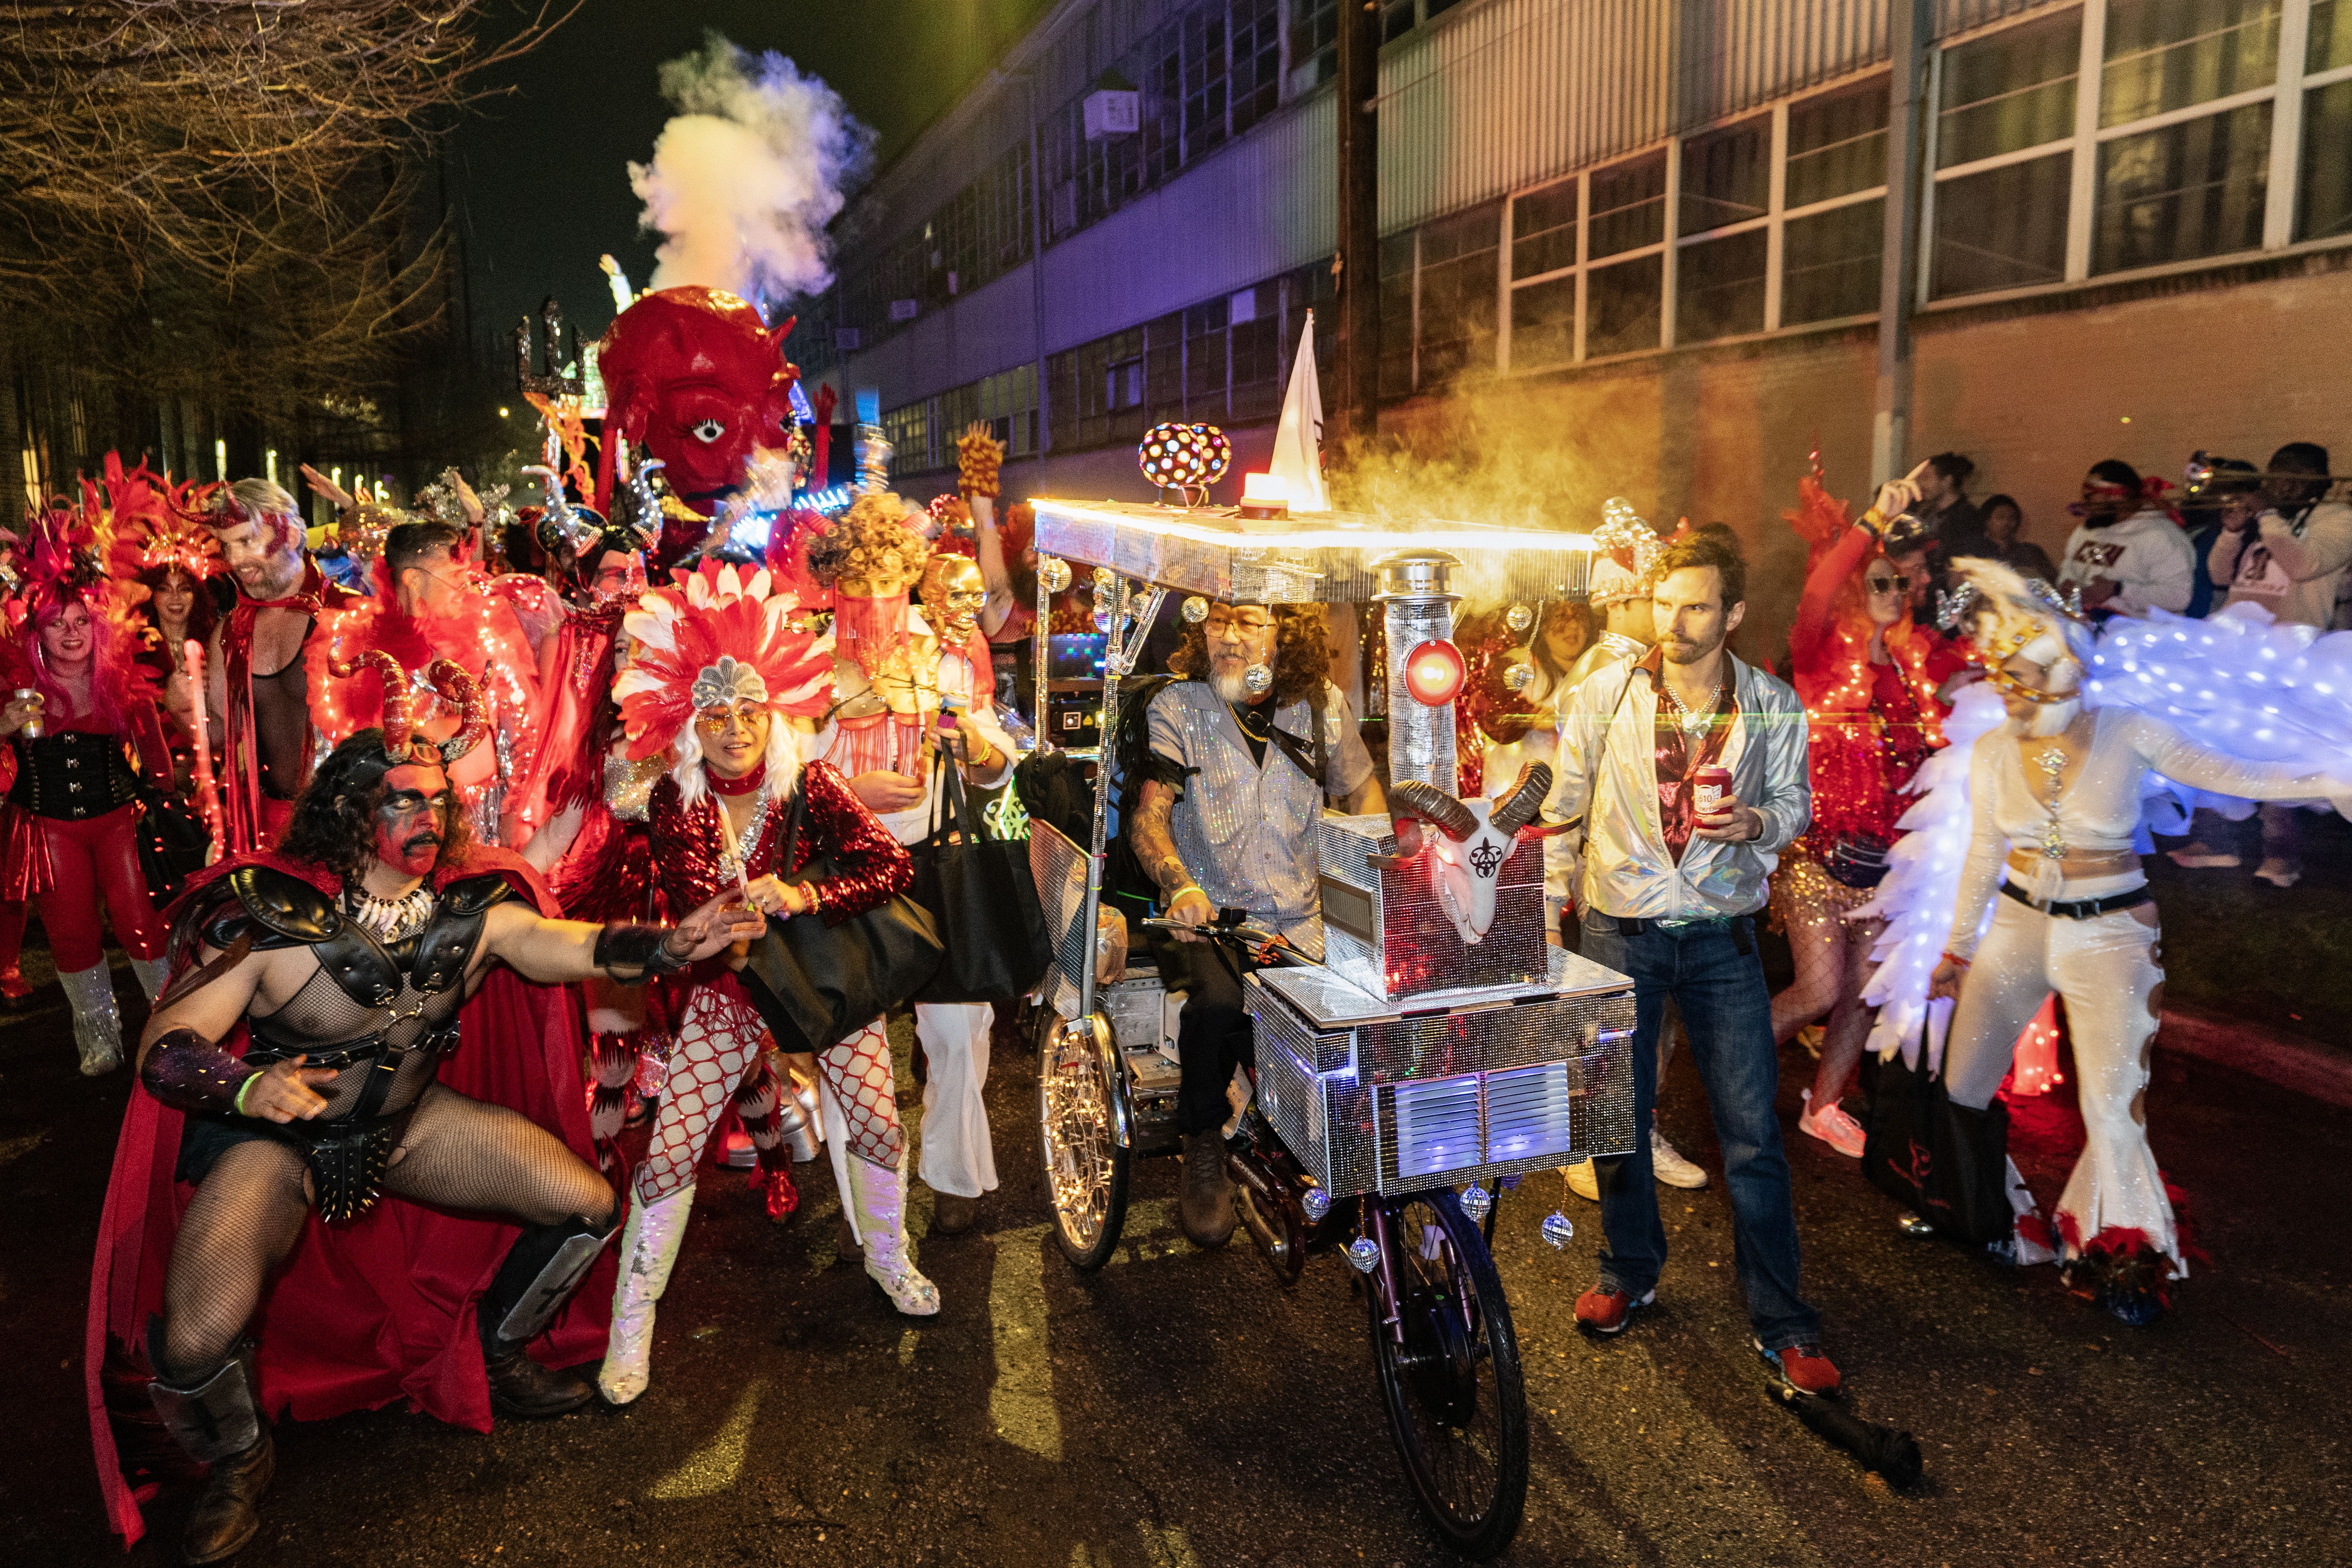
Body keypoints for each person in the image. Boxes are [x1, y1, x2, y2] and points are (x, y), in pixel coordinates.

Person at [92, 674, 764, 1562]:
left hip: (408, 1124)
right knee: (193, 1335)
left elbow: (558, 946)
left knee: (587, 1206)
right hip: (277, 1141)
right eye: (403, 801)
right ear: (348, 811)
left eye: (439, 800)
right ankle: (237, 1460)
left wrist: (668, 944)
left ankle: (498, 1352)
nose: (430, 817)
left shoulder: (469, 907)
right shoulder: (271, 918)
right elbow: (167, 1044)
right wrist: (249, 1089)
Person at [1925, 558, 2352, 1324]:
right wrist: (1957, 951)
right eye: (2004, 675)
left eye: (2027, 674)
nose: (2013, 690)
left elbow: (2234, 772)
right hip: (2017, 929)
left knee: (2112, 1110)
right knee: (1962, 1087)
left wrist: (2325, 778)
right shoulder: (1991, 753)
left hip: (2111, 936)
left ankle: (2122, 1258)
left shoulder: (2128, 731)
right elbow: (1982, 856)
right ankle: (1989, 1218)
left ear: (2067, 666)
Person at [598, 559, 930, 1408]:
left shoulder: (811, 783)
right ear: (689, 722)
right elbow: (691, 911)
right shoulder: (674, 802)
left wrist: (808, 895)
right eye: (715, 714)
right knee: (671, 1152)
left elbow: (890, 865)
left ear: (774, 712)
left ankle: (889, 1259)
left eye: (749, 709)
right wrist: (730, 915)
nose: (735, 729)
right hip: (728, 995)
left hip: (821, 984)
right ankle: (631, 1323)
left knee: (878, 1123)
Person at [1541, 532, 1840, 1394]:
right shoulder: (1605, 690)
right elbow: (1563, 805)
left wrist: (1759, 823)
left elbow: (1796, 802)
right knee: (1616, 1118)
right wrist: (1546, 910)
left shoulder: (1772, 703)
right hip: (1620, 929)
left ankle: (1783, 1321)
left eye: (1696, 606)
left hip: (1720, 937)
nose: (1672, 622)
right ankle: (1627, 1271)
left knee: (1752, 1135)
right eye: (1663, 603)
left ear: (1732, 613)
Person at [1129, 599, 1384, 1249]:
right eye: (1216, 620)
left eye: (1246, 621)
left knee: (1362, 1017)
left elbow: (1361, 790)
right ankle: (1202, 1139)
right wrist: (1180, 884)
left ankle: (1331, 1142)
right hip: (1209, 918)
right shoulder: (1177, 706)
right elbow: (1149, 817)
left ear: (1283, 631)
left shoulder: (1320, 705)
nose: (1227, 636)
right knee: (1218, 1006)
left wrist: (1378, 868)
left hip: (1304, 918)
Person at [797, 496, 1018, 1238]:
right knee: (850, 1048)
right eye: (858, 583)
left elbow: (991, 758)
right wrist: (847, 794)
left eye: (889, 580)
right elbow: (776, 780)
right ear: (833, 584)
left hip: (935, 865)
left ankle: (952, 1171)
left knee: (958, 1031)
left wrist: (972, 748)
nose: (875, 598)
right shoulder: (805, 664)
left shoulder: (944, 649)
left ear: (910, 577)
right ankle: (868, 1210)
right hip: (844, 870)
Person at [1770, 471, 1959, 1158]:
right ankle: (1730, 1067)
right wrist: (1872, 522)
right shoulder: (1818, 656)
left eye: (1902, 583)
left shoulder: (1916, 666)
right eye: (1880, 580)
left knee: (1859, 993)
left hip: (1888, 870)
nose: (1895, 591)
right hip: (1817, 861)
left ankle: (1823, 1106)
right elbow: (1818, 590)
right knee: (1817, 992)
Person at [0, 506, 175, 1069]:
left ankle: (174, 1025)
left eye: (80, 621)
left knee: (141, 924)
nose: (72, 633)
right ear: (37, 632)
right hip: (49, 827)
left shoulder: (120, 679)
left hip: (119, 819)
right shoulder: (15, 685)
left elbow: (157, 759)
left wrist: (169, 804)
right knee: (72, 933)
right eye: (58, 624)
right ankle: (99, 1037)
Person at [2172, 443, 2352, 888]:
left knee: (2278, 755)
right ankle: (2218, 842)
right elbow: (2220, 576)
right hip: (2237, 648)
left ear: (2320, 482)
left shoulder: (2338, 519)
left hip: (2292, 651)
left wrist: (2268, 515)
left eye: (2296, 476)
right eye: (2276, 474)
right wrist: (2233, 531)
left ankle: (2280, 854)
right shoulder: (2266, 519)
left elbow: (2304, 564)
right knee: (2220, 746)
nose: (2282, 484)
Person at [311, 520, 542, 846]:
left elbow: (521, 729)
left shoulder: (484, 631)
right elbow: (333, 756)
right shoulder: (355, 645)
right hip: (400, 831)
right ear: (414, 580)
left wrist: (516, 811)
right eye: (454, 576)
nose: (466, 586)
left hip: (485, 821)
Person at [185, 479, 356, 850]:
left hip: (348, 826)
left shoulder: (350, 616)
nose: (235, 560)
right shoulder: (230, 632)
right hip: (266, 830)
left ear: (291, 537)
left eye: (247, 541)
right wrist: (184, 706)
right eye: (228, 546)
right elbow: (218, 736)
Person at [2056, 460, 2195, 622]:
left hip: (2140, 632)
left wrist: (2119, 589)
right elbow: (2068, 566)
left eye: (2091, 498)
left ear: (2120, 497)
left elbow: (2179, 597)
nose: (2087, 507)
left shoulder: (2161, 537)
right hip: (2084, 625)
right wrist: (2066, 582)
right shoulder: (2087, 530)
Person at [1977, 493, 2059, 582]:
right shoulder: (1976, 552)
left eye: (2012, 518)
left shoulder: (2031, 552)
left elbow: (2049, 581)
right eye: (2001, 517)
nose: (2007, 522)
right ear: (1987, 521)